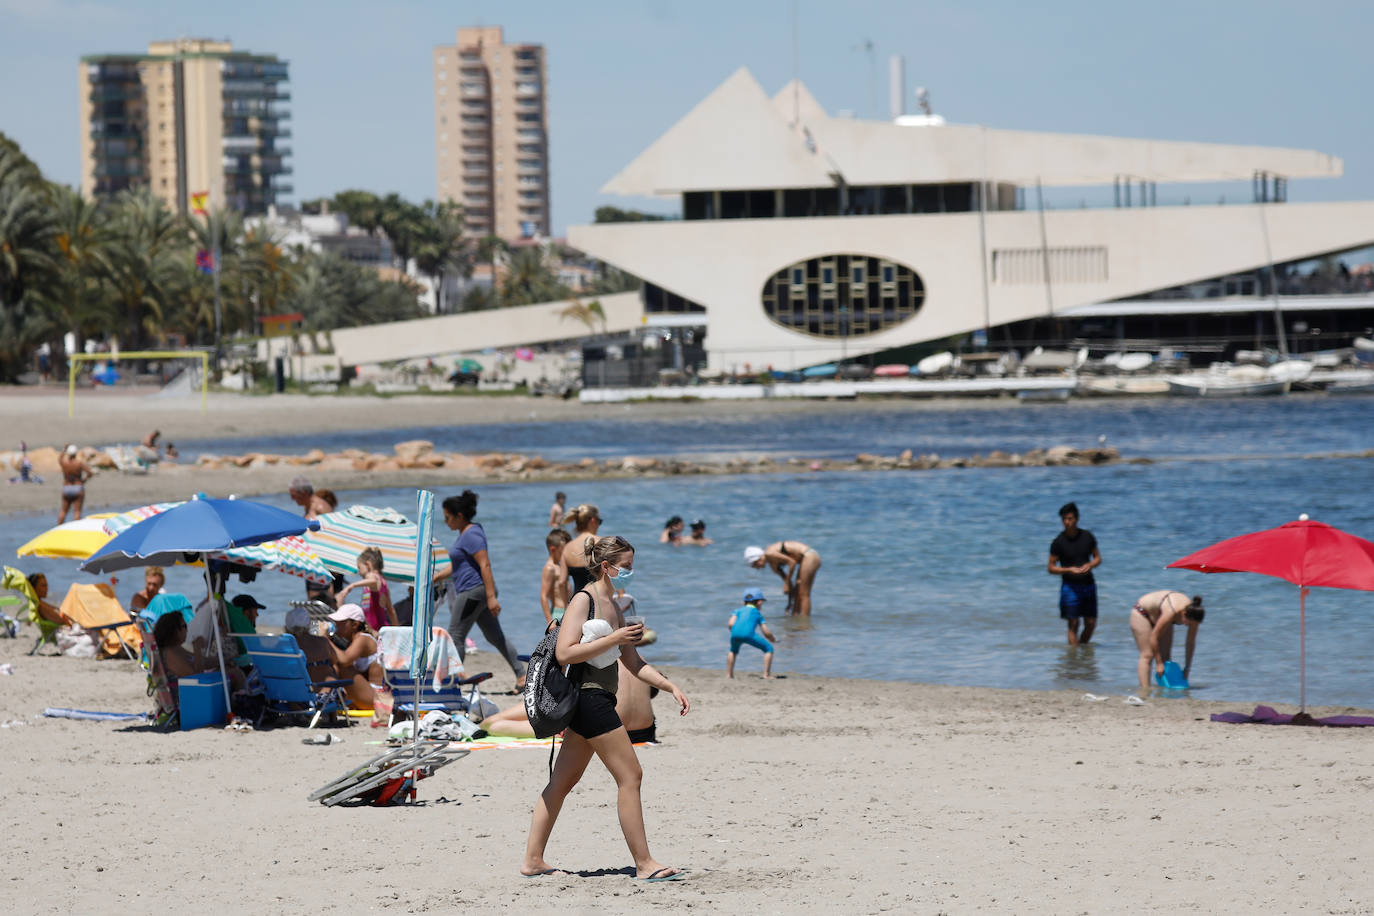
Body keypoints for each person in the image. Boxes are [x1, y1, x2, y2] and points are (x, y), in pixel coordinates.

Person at [520, 535, 690, 881]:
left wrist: (670, 686)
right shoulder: (585, 600)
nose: (630, 571)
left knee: (562, 781)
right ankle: (644, 864)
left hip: (599, 698)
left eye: (632, 565)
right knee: (631, 776)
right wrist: (614, 638)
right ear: (606, 567)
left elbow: (633, 662)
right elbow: (565, 652)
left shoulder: (615, 605)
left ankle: (533, 861)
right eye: (625, 566)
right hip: (588, 698)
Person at [482, 630, 662, 740]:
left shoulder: (590, 653)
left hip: (608, 731)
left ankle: (480, 725)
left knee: (492, 724)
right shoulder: (637, 658)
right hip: (643, 731)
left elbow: (562, 693)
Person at [432, 490, 526, 688]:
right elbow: (458, 566)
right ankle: (521, 676)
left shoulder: (472, 534)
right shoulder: (465, 534)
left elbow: (485, 564)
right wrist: (437, 577)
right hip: (478, 591)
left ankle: (451, 681)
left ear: (459, 516)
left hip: (473, 592)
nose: (446, 521)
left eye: (448, 517)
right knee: (495, 637)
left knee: (456, 635)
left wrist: (491, 597)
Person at [1048, 501, 1102, 646]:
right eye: (1064, 519)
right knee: (1073, 623)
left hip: (1088, 584)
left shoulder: (1087, 536)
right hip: (1070, 586)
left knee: (1091, 623)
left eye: (1070, 519)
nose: (1067, 522)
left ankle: (1081, 652)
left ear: (1077, 519)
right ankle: (1075, 657)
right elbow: (1051, 568)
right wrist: (1068, 569)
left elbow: (1098, 558)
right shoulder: (1058, 542)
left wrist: (1090, 565)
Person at [1130, 591, 1204, 691]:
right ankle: (1145, 691)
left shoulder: (1194, 615)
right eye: (1189, 623)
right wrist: (1158, 663)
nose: (1189, 626)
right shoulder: (1171, 611)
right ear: (1184, 614)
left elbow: (1190, 643)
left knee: (1167, 659)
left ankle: (1165, 691)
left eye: (1193, 624)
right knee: (1148, 655)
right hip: (1142, 613)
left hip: (1159, 615)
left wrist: (1187, 668)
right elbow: (1154, 637)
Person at [152, 611, 246, 690]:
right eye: (184, 626)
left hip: (190, 689)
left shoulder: (176, 649)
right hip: (186, 696)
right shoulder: (170, 653)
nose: (187, 630)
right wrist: (197, 648)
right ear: (174, 630)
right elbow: (197, 677)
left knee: (228, 670)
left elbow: (204, 662)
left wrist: (224, 660)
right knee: (236, 675)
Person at [318, 603, 382, 709]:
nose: (336, 625)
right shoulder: (352, 641)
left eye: (340, 623)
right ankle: (326, 696)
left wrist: (326, 639)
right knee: (331, 665)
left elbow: (344, 660)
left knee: (342, 666)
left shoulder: (363, 639)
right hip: (366, 694)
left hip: (376, 697)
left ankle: (326, 697)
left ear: (355, 625)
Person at [744, 540, 822, 616]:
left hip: (809, 555)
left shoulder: (769, 553)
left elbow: (792, 563)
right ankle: (795, 619)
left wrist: (787, 583)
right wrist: (789, 603)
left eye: (755, 565)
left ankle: (805, 624)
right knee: (797, 592)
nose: (757, 568)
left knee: (804, 594)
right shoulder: (773, 566)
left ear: (758, 558)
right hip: (804, 559)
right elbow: (789, 585)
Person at [337, 547, 397, 630]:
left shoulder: (372, 577)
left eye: (359, 568)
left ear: (368, 565)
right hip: (381, 628)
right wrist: (396, 631)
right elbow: (391, 611)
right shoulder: (383, 583)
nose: (359, 572)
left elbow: (373, 580)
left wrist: (351, 586)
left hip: (375, 629)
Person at [727, 587, 775, 679]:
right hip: (749, 635)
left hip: (734, 634)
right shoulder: (757, 613)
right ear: (759, 602)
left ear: (743, 602)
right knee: (768, 649)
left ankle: (729, 674)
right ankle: (766, 674)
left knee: (733, 651)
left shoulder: (737, 611)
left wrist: (734, 631)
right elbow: (765, 631)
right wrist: (772, 638)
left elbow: (730, 623)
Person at [284, 606, 335, 683]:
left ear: (287, 627)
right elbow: (335, 660)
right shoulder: (323, 641)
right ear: (308, 625)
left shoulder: (285, 647)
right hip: (326, 690)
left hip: (299, 691)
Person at [561, 503, 603, 594]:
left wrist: (567, 606)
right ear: (593, 520)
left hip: (577, 602)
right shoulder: (601, 542)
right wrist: (621, 594)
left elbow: (561, 583)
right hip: (599, 601)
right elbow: (612, 574)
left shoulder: (567, 548)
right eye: (600, 521)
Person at [539, 528, 572, 625]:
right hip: (558, 612)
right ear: (553, 549)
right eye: (563, 551)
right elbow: (543, 596)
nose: (566, 554)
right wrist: (550, 621)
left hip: (566, 611)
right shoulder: (550, 568)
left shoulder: (560, 566)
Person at [57, 445, 91, 523]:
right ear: (76, 454)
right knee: (77, 511)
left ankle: (58, 528)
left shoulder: (64, 463)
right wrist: (83, 480)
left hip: (67, 487)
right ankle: (75, 529)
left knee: (63, 511)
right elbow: (90, 472)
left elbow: (59, 459)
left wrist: (64, 449)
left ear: (68, 454)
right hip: (77, 487)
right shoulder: (79, 463)